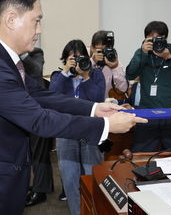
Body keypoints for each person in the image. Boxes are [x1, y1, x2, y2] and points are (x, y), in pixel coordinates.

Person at [0, 0, 146, 215]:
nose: (39, 30)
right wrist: (106, 125)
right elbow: (39, 120)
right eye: (36, 21)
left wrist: (94, 108)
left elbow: (39, 95)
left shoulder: (0, 58)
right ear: (11, 19)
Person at [50, 39, 105, 215]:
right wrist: (66, 72)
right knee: (70, 177)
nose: (78, 62)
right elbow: (51, 98)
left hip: (90, 130)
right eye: (73, 58)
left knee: (91, 175)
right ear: (65, 59)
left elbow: (98, 99)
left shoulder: (95, 75)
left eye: (81, 57)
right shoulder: (59, 77)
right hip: (66, 130)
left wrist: (86, 77)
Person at [126, 21, 171, 152]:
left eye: (160, 38)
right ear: (145, 39)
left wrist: (169, 57)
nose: (156, 42)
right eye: (152, 39)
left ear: (166, 39)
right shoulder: (142, 53)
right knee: (142, 155)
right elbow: (130, 74)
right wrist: (142, 53)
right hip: (148, 114)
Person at [22, 47, 54, 207]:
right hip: (22, 110)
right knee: (34, 151)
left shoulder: (36, 52)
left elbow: (35, 69)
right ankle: (44, 185)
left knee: (39, 152)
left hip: (38, 110)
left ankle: (40, 191)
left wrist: (21, 54)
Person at [90, 30, 128, 99]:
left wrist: (115, 68)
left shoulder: (114, 64)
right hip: (90, 105)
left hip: (107, 105)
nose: (103, 53)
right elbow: (80, 81)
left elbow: (123, 89)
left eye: (105, 50)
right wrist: (93, 61)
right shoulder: (87, 64)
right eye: (100, 50)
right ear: (92, 48)